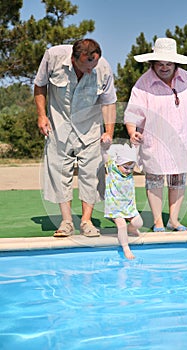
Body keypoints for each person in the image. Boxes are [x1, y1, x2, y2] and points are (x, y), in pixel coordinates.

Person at [34, 38, 117, 237]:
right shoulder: (53, 57)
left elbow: (109, 102)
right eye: (86, 65)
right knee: (60, 171)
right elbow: (39, 85)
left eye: (94, 64)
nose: (91, 70)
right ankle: (67, 221)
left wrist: (109, 131)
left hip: (90, 127)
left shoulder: (103, 67)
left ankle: (86, 221)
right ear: (73, 59)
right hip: (59, 123)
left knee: (91, 173)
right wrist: (42, 115)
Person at [124, 37, 187, 232]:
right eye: (160, 64)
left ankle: (174, 220)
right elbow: (131, 113)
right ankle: (159, 221)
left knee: (178, 179)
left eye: (169, 63)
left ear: (175, 63)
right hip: (154, 140)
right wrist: (132, 132)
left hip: (181, 139)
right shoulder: (143, 83)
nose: (164, 67)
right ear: (153, 63)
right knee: (155, 179)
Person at [103, 143, 143, 259]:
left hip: (128, 206)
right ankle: (126, 249)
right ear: (118, 164)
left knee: (138, 223)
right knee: (121, 225)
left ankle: (130, 230)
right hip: (114, 206)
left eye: (131, 168)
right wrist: (104, 146)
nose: (128, 171)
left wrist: (137, 143)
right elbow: (104, 155)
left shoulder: (129, 174)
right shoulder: (113, 169)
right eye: (126, 168)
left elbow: (136, 152)